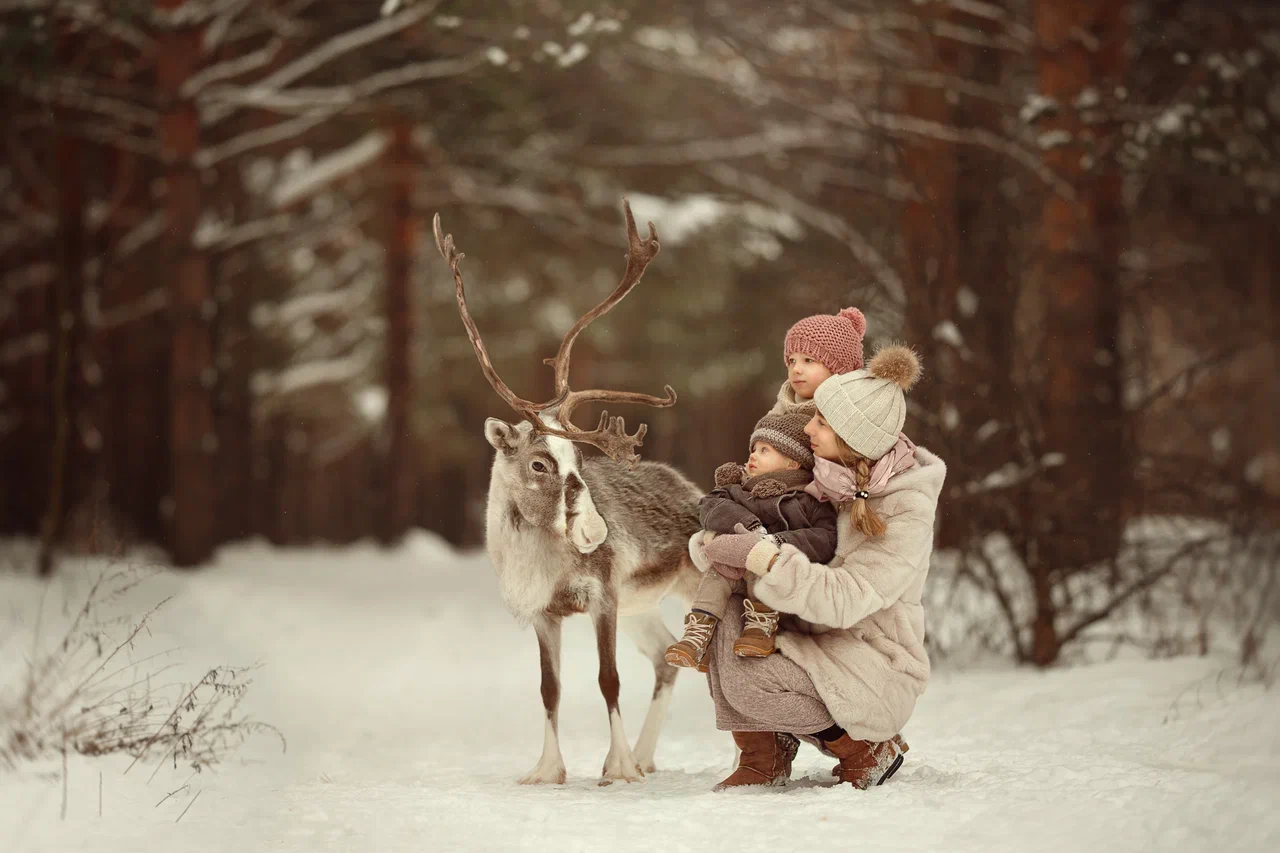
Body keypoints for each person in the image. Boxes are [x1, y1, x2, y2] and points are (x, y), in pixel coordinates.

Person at [689, 343, 946, 791]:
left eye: (822, 423)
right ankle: (764, 754)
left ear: (853, 439)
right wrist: (722, 540)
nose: (807, 427)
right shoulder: (825, 477)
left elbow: (845, 600)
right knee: (721, 621)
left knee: (748, 684)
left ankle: (863, 746)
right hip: (812, 633)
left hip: (871, 660)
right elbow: (741, 525)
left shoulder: (905, 508)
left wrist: (761, 555)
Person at [665, 411, 838, 670]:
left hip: (773, 575)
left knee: (764, 562)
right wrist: (750, 527)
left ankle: (760, 626)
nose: (753, 455)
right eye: (753, 449)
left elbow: (825, 538)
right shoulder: (737, 490)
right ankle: (699, 632)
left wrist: (777, 542)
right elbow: (710, 507)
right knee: (716, 575)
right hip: (732, 568)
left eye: (764, 450)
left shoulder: (807, 500)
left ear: (792, 463)